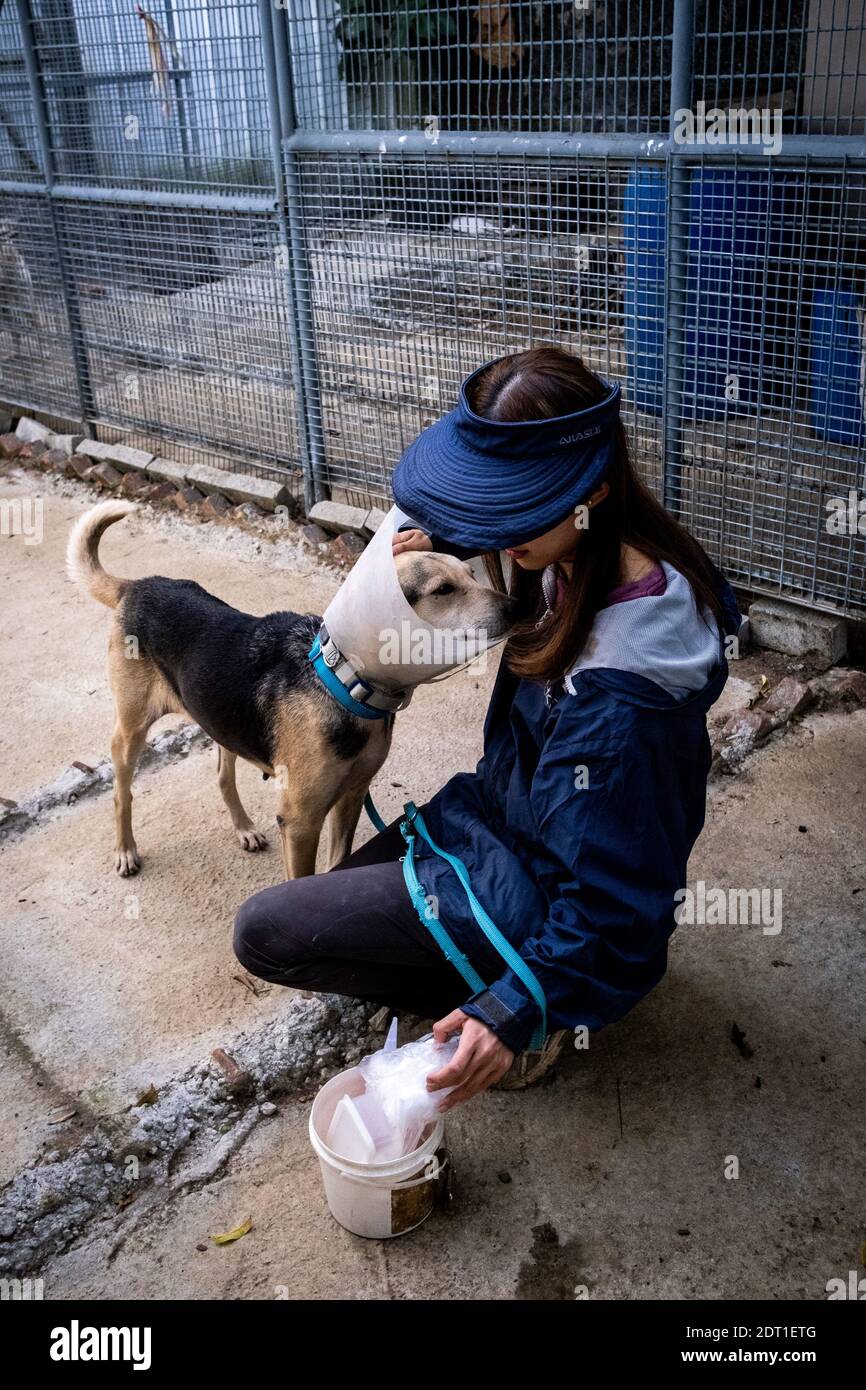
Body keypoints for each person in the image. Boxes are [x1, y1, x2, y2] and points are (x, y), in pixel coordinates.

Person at [233, 346, 740, 1108]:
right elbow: (491, 532)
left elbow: (616, 907)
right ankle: (491, 979)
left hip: (542, 896)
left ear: (590, 492)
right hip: (499, 820)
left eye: (513, 512)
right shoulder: (598, 548)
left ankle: (543, 1019)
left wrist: (510, 1012)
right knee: (331, 902)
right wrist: (434, 546)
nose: (497, 537)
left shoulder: (619, 706)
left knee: (268, 932)